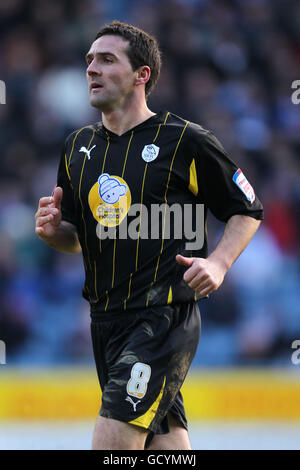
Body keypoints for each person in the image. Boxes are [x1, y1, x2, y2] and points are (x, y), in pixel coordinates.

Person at [35, 21, 263, 450]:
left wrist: (218, 262)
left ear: (142, 75)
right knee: (166, 447)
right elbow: (78, 238)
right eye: (89, 61)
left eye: (106, 60)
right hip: (105, 321)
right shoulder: (78, 147)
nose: (91, 69)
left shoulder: (186, 141)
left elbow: (246, 208)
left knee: (113, 443)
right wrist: (54, 233)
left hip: (162, 316)